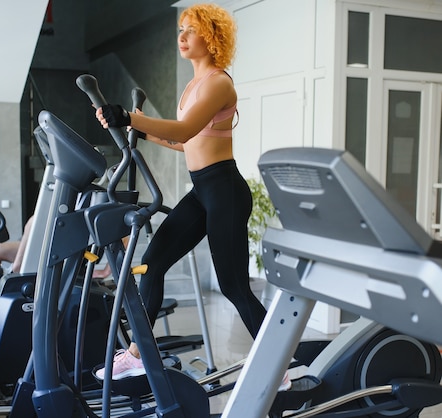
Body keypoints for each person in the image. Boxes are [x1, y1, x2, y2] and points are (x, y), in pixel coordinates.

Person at [93, 3, 290, 390]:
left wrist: (129, 117)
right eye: (180, 29)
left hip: (225, 191)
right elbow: (188, 143)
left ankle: (279, 364)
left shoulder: (219, 83)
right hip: (203, 189)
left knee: (233, 286)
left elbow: (184, 130)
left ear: (211, 37)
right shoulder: (192, 86)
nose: (181, 37)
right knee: (152, 263)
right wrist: (140, 132)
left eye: (191, 30)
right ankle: (137, 356)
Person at [0, 216, 113, 278]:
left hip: (69, 252)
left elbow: (124, 238)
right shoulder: (62, 192)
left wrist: (105, 272)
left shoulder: (94, 200)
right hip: (45, 245)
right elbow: (32, 224)